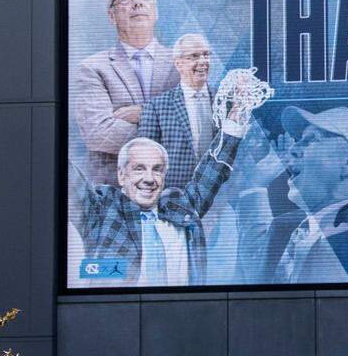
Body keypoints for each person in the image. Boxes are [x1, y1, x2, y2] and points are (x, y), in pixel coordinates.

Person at [70, 100, 250, 287]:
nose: (149, 178)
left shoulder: (179, 206)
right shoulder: (101, 207)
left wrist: (237, 111)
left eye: (157, 169)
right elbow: (67, 177)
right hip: (118, 312)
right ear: (121, 175)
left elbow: (213, 170)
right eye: (139, 169)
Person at [235, 106, 348, 284]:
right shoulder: (283, 227)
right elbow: (256, 274)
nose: (292, 150)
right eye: (298, 140)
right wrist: (256, 184)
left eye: (311, 140)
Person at [73, 0, 179, 184]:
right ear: (111, 16)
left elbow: (197, 128)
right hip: (112, 194)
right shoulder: (92, 68)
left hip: (175, 190)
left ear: (155, 10)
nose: (137, 2)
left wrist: (144, 113)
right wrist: (167, 129)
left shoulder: (182, 64)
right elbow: (97, 132)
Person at [137, 34, 217, 188]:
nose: (203, 61)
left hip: (220, 195)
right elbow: (146, 159)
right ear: (178, 64)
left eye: (206, 55)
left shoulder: (226, 102)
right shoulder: (156, 107)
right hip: (175, 197)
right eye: (194, 56)